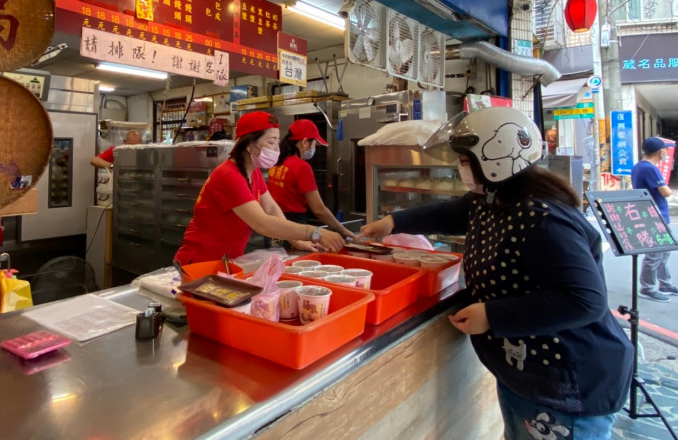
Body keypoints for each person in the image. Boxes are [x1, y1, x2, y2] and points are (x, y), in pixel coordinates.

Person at [356, 107, 633, 440]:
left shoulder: (542, 219)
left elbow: (585, 300)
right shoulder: (492, 199)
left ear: (497, 159)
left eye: (465, 160)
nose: (461, 168)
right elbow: (450, 213)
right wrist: (395, 222)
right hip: (526, 376)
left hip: (568, 381)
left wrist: (491, 315)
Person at [174, 111, 346, 265]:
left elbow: (271, 208)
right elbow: (262, 223)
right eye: (271, 142)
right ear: (249, 144)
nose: (277, 149)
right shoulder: (228, 175)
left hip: (225, 262)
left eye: (277, 141)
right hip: (198, 262)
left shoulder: (252, 172)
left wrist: (296, 241)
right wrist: (314, 233)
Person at [267, 119, 353, 240]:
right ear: (305, 142)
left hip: (272, 225)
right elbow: (319, 210)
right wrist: (342, 230)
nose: (315, 149)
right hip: (293, 226)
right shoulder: (302, 167)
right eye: (315, 144)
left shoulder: (277, 161)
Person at [632, 136, 677, 302]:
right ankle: (647, 287)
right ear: (660, 152)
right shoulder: (649, 168)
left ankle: (665, 283)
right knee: (655, 254)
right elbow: (665, 192)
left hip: (653, 213)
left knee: (664, 251)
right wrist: (670, 190)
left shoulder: (639, 166)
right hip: (654, 215)